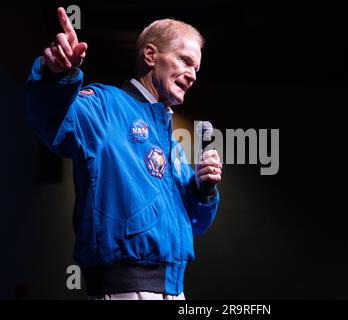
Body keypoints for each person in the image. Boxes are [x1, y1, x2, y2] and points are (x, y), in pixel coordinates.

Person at [25, 7, 222, 300]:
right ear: (150, 55)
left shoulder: (173, 145)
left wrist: (203, 190)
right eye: (185, 61)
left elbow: (195, 224)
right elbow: (50, 118)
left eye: (197, 68)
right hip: (125, 289)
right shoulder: (105, 107)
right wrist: (54, 75)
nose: (192, 75)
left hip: (175, 289)